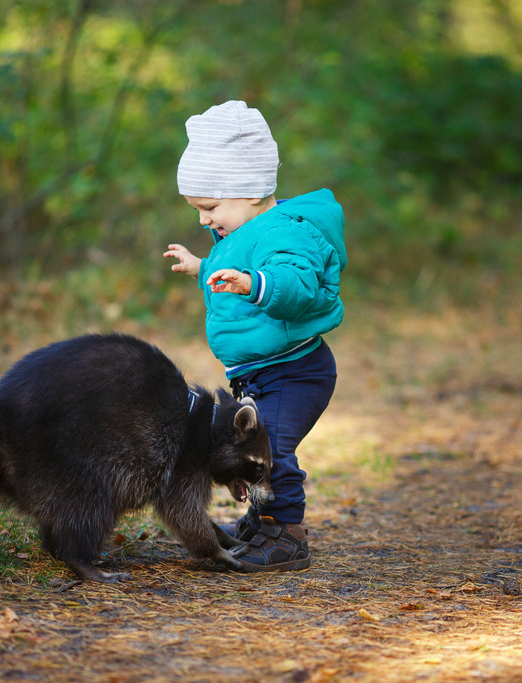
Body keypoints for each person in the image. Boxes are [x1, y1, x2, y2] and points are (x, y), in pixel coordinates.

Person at [163, 100, 346, 572]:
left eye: (209, 207)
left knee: (270, 449)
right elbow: (236, 270)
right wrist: (202, 267)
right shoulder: (246, 230)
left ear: (246, 192)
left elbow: (297, 285)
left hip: (295, 372)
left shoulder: (286, 232)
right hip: (261, 373)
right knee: (253, 444)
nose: (203, 220)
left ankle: (286, 536)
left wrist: (256, 285)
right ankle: (262, 521)